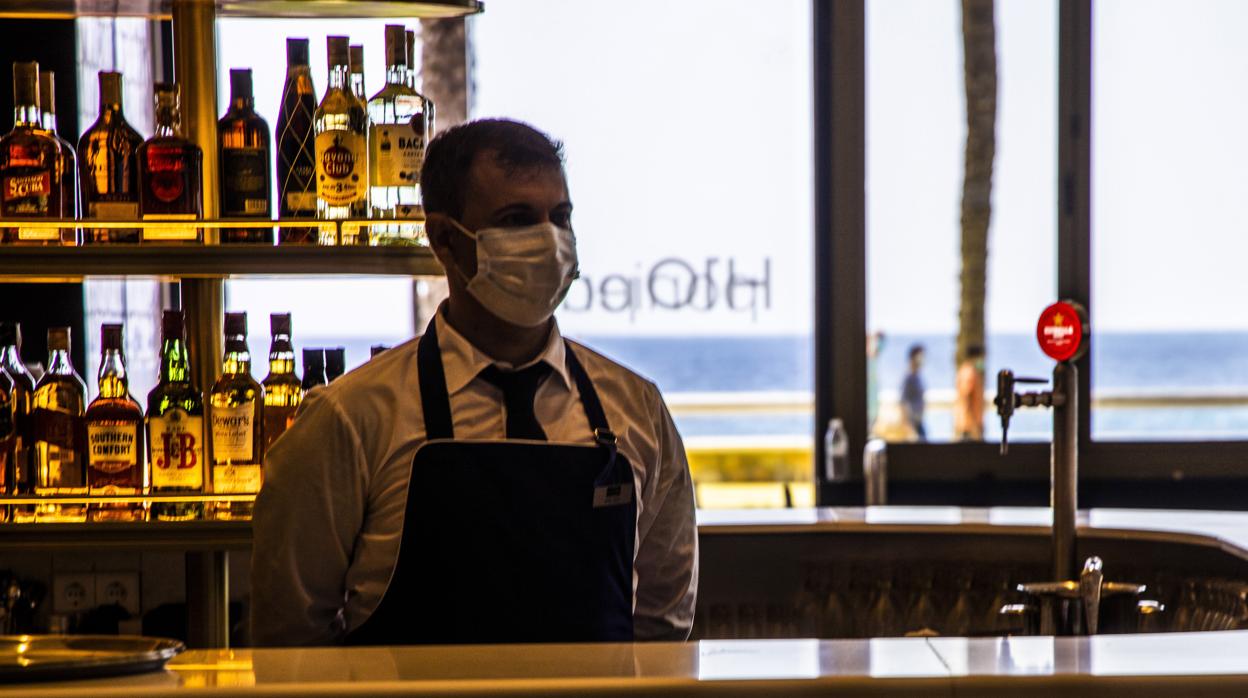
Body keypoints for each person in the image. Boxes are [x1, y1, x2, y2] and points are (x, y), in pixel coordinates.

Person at [251, 119, 698, 646]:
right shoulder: (349, 418)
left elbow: (662, 628)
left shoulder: (636, 409)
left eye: (560, 217)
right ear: (444, 238)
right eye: (517, 220)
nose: (548, 242)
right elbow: (291, 640)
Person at [954, 344, 985, 441]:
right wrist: (974, 426)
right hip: (968, 426)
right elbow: (966, 398)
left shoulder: (967, 370)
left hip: (969, 425)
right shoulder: (969, 373)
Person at [900, 343, 926, 441]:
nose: (923, 359)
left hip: (918, 422)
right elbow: (903, 401)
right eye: (921, 356)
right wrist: (908, 427)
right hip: (912, 425)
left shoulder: (918, 376)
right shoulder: (908, 377)